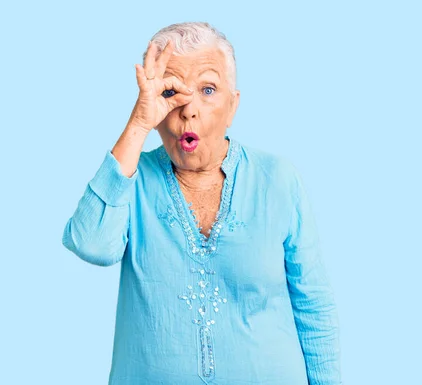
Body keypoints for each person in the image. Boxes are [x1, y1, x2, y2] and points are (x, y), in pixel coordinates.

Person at [62, 21, 342, 385]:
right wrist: (138, 125)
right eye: (170, 93)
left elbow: (314, 308)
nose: (188, 110)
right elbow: (91, 244)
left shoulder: (278, 179)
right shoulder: (134, 177)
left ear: (233, 105)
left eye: (208, 89)